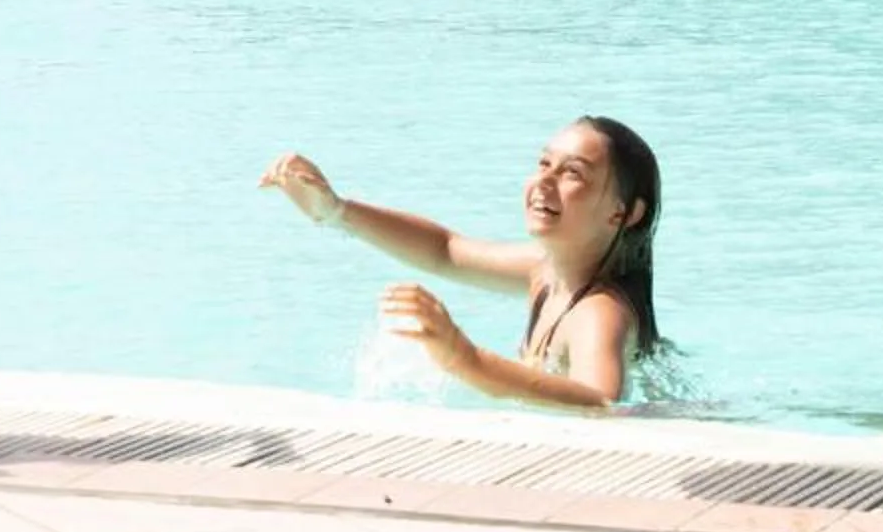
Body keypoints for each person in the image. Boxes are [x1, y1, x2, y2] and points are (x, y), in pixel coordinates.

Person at [259, 117, 664, 409]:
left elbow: (601, 401)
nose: (544, 181)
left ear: (624, 213)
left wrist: (464, 358)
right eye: (544, 164)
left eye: (572, 173)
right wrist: (335, 211)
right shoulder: (548, 272)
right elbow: (446, 250)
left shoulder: (597, 313)